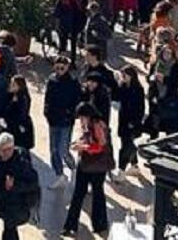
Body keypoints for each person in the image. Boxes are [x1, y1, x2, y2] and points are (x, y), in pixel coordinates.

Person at [61, 103, 112, 237]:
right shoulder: (87, 125)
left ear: (88, 115)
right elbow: (87, 139)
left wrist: (83, 148)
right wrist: (79, 143)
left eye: (82, 117)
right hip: (85, 164)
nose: (80, 120)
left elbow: (100, 146)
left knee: (97, 194)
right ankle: (70, 225)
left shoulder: (97, 125)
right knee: (78, 194)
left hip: (96, 166)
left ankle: (99, 225)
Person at [0, 132, 39, 240]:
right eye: (2, 150)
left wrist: (14, 185)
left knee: (9, 231)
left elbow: (33, 184)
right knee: (9, 231)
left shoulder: (22, 164)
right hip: (2, 204)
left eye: (8, 149)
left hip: (16, 207)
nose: (5, 153)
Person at [43, 55, 81, 189]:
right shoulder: (52, 80)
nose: (59, 70)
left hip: (66, 122)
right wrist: (47, 112)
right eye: (57, 67)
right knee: (53, 150)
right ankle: (59, 175)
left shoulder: (73, 82)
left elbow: (78, 100)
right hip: (53, 120)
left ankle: (73, 168)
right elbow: (47, 98)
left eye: (62, 67)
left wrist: (71, 114)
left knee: (63, 150)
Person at [111, 66, 146, 177]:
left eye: (124, 75)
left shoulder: (138, 89)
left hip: (133, 122)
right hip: (123, 120)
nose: (123, 77)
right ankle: (134, 165)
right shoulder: (123, 86)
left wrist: (135, 122)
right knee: (127, 144)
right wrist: (116, 83)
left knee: (126, 146)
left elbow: (141, 108)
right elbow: (116, 97)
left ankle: (121, 169)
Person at [0, 75, 34, 152]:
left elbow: (20, 115)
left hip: (17, 128)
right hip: (8, 126)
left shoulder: (23, 98)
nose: (11, 86)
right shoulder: (10, 95)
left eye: (14, 84)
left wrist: (13, 103)